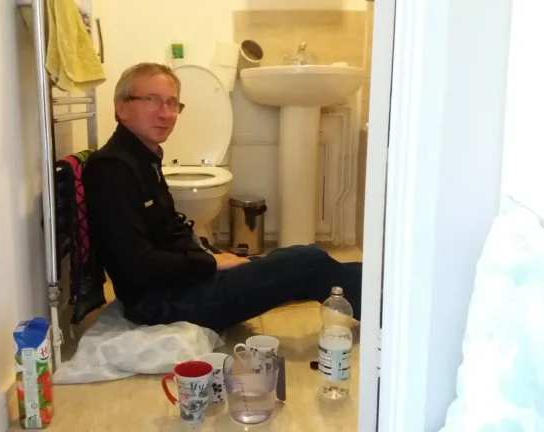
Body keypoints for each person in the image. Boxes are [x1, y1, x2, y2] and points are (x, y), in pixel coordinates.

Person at [83, 62, 363, 331]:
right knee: (306, 262)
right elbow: (136, 266)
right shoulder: (112, 169)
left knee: (300, 258)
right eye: (153, 100)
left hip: (181, 282)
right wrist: (210, 263)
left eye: (172, 103)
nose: (165, 113)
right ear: (122, 107)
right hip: (162, 302)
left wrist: (208, 255)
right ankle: (392, 306)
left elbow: (166, 229)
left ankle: (385, 288)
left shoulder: (143, 156)